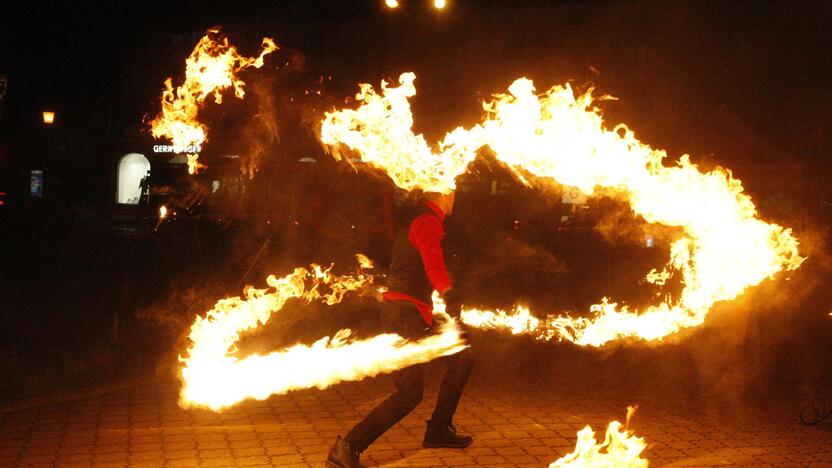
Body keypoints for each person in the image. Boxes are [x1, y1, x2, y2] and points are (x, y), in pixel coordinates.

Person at [326, 191, 475, 468]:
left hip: (414, 313)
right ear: (441, 193)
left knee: (462, 358)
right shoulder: (427, 221)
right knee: (409, 394)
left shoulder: (421, 219)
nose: (455, 196)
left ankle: (439, 428)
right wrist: (448, 292)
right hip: (404, 316)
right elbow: (433, 263)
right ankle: (347, 447)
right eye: (452, 191)